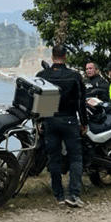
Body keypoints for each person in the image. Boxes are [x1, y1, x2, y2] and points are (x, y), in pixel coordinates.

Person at [36, 44, 88, 208]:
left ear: (52, 57)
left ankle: (58, 195)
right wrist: (84, 122)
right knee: (75, 158)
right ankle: (73, 194)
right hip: (70, 120)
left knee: (54, 159)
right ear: (65, 56)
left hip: (50, 120)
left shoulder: (42, 75)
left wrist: (38, 121)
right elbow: (81, 101)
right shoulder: (74, 76)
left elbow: (38, 101)